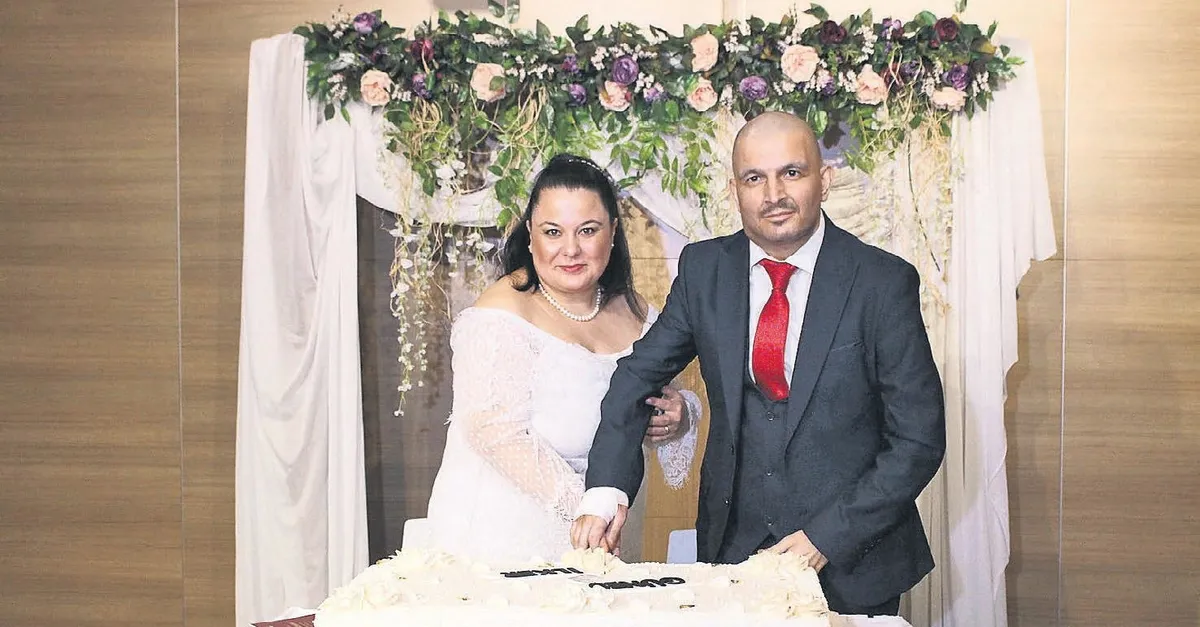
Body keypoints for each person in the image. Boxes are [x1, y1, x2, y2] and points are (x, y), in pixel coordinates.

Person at [572, 112, 946, 616]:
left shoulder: (882, 281)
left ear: (824, 180)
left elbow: (918, 439)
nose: (774, 194)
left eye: (791, 172)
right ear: (735, 191)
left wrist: (826, 537)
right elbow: (637, 375)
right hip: (733, 554)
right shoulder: (705, 270)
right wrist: (606, 490)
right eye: (754, 178)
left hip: (854, 562)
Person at [424, 154, 702, 562]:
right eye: (553, 232)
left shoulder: (638, 312)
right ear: (531, 235)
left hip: (607, 533)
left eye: (587, 230)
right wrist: (591, 505)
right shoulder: (502, 312)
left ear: (612, 232)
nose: (570, 250)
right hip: (504, 539)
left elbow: (662, 400)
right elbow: (493, 431)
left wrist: (677, 415)